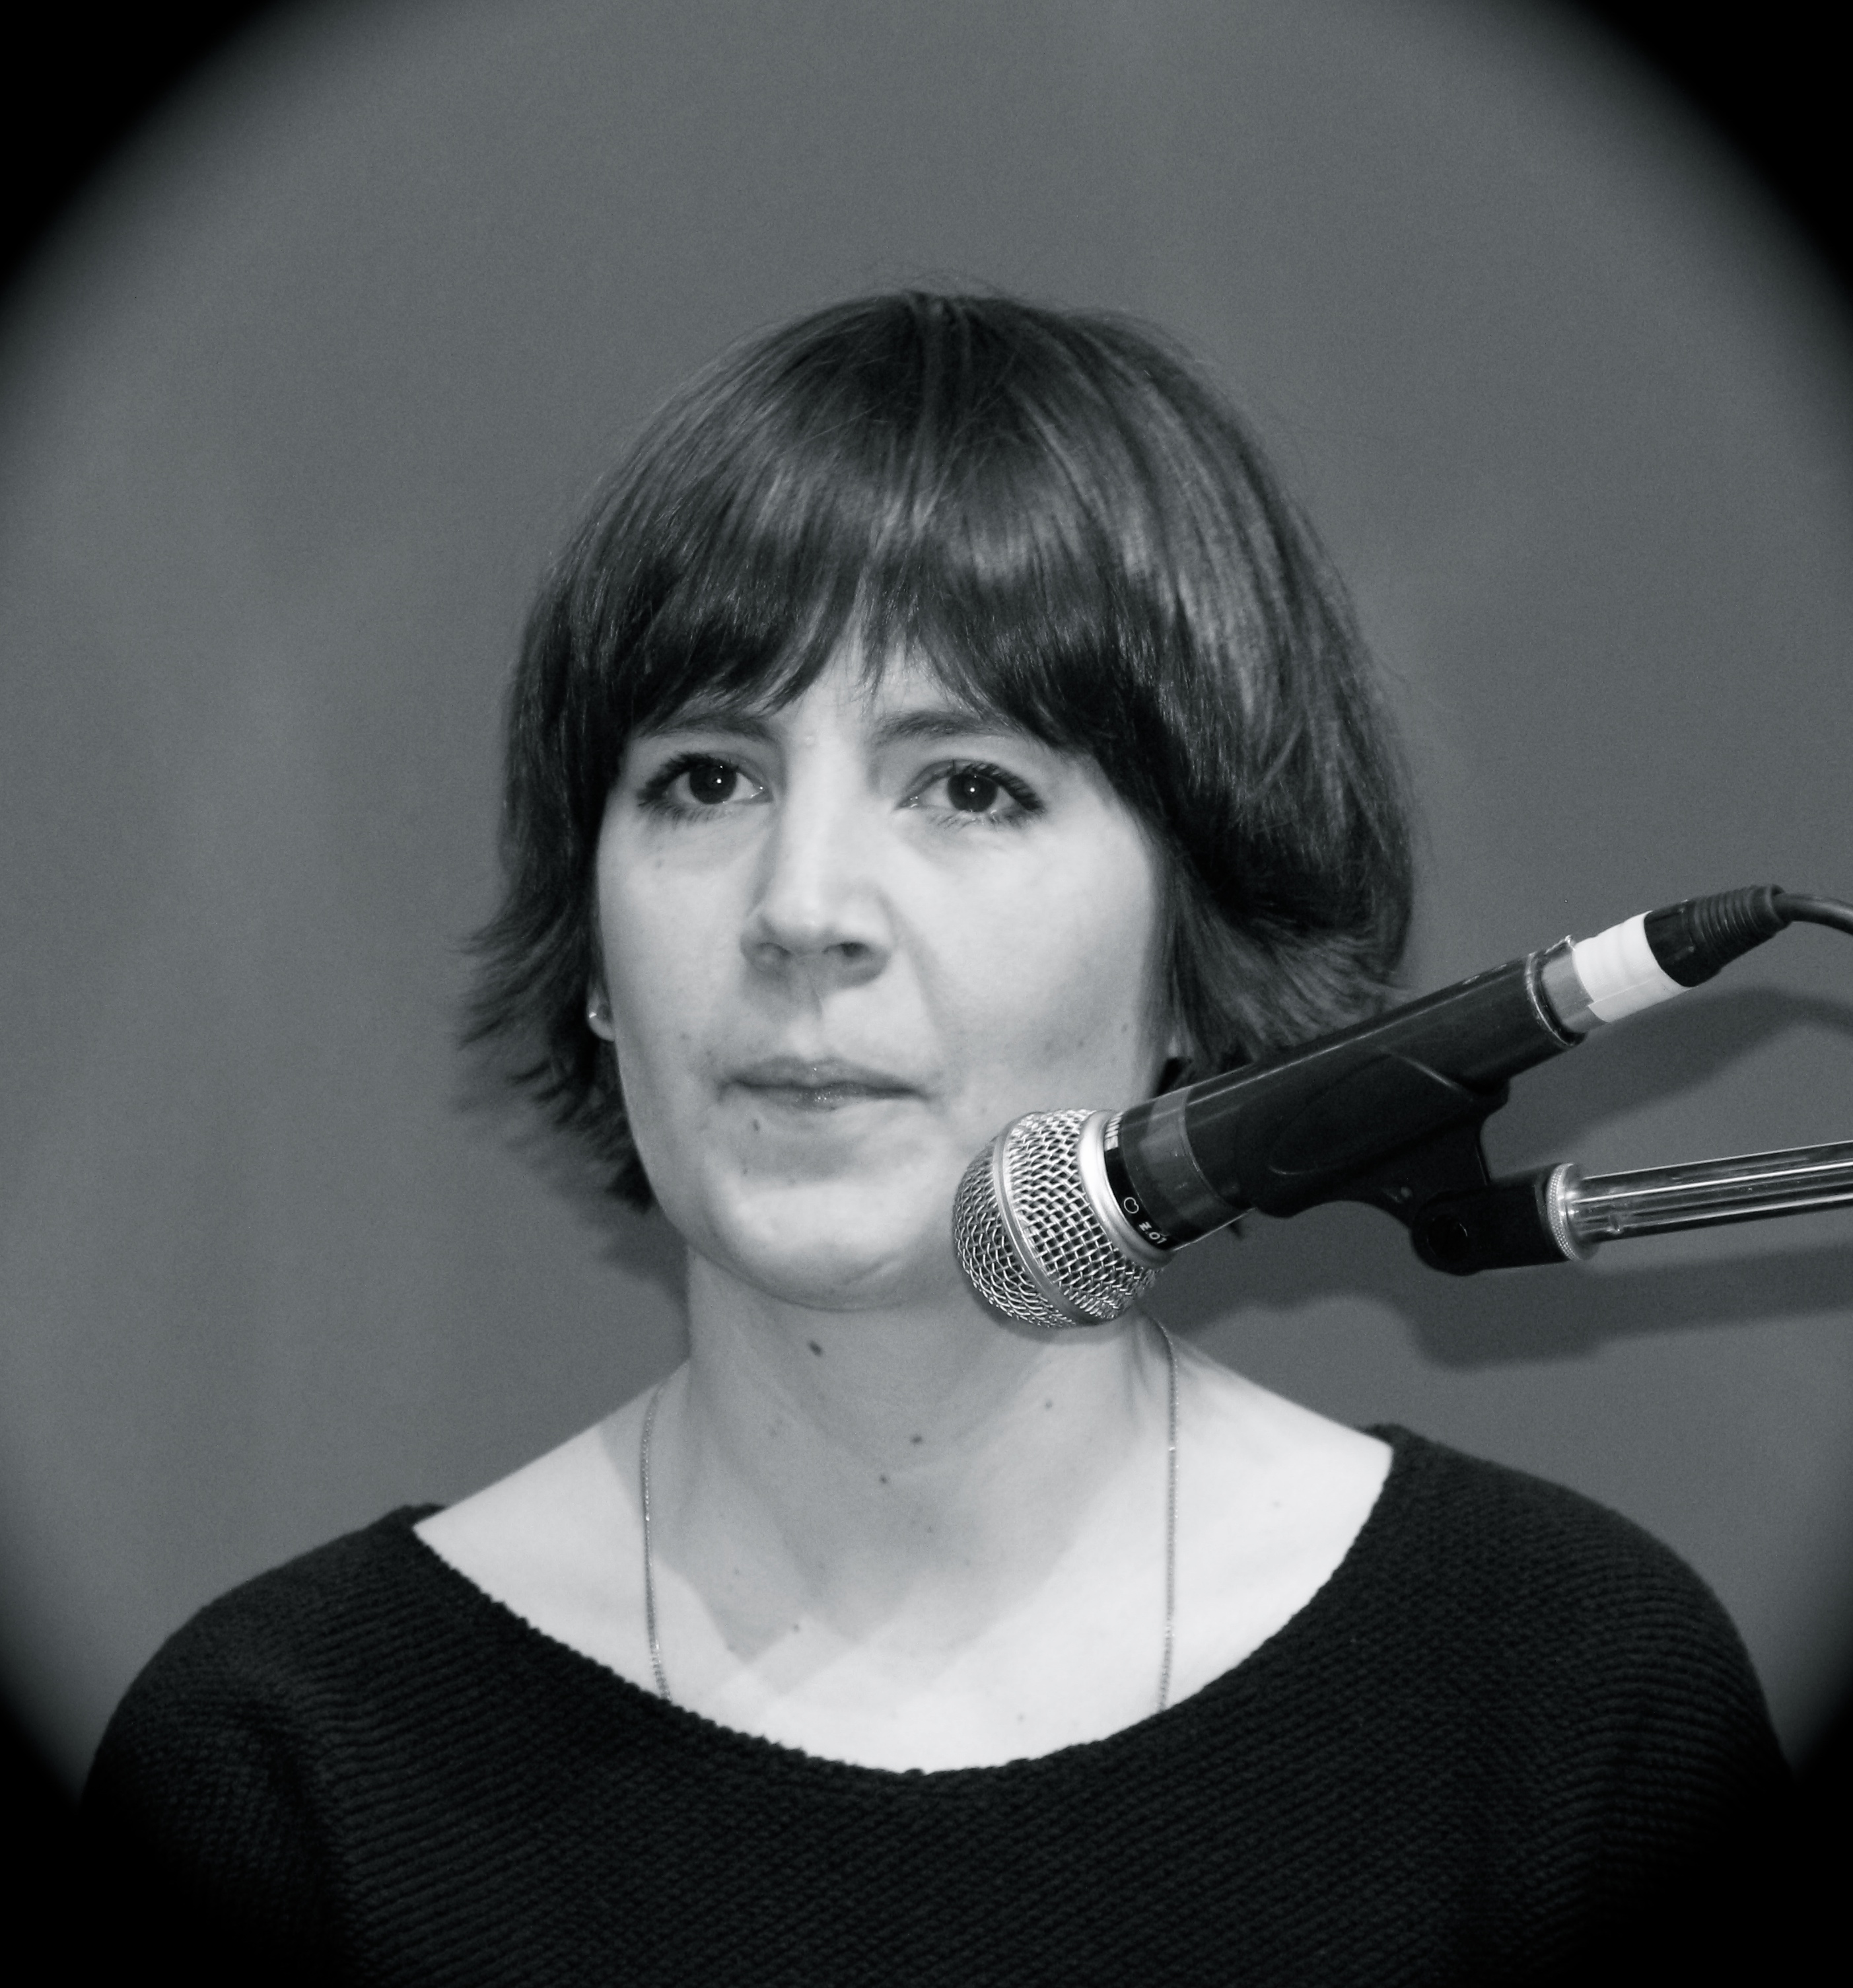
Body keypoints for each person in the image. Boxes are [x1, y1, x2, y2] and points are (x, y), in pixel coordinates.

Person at [79, 293, 1791, 1983]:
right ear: (594, 957)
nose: (802, 908)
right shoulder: (282, 1769)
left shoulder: (1563, 1702)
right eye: (706, 779)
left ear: (1195, 946)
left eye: (970, 786)